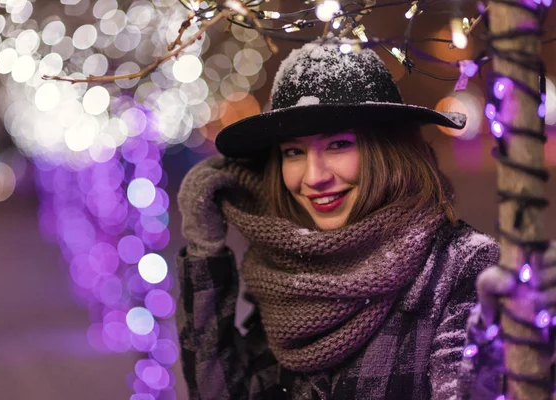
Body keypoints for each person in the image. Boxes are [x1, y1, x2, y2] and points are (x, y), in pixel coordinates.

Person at [175, 38, 556, 399]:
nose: (313, 177)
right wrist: (205, 252)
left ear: (387, 151)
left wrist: (495, 347)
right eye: (293, 152)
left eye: (339, 144)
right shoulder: (286, 279)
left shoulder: (462, 269)